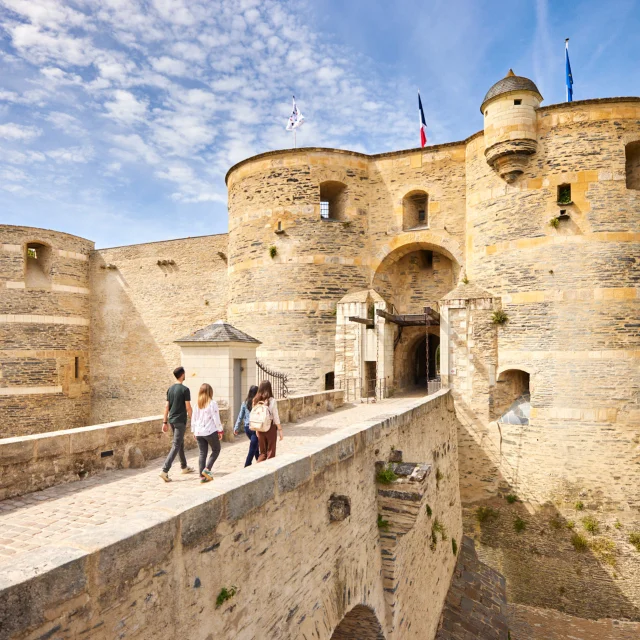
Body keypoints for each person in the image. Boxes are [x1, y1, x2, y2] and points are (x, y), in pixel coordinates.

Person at [159, 366, 194, 482]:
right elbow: (188, 407)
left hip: (172, 420)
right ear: (182, 374)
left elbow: (166, 407)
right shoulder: (185, 390)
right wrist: (194, 420)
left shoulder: (170, 389)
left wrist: (165, 421)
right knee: (176, 445)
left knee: (180, 443)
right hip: (180, 421)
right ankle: (165, 470)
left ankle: (184, 467)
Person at [191, 383, 223, 483]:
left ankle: (202, 476)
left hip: (199, 432)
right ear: (210, 392)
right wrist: (220, 430)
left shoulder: (197, 404)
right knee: (216, 449)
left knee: (202, 453)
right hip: (210, 431)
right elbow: (216, 418)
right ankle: (207, 469)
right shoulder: (212, 403)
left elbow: (194, 419)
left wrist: (194, 431)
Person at [252, 380, 283, 461]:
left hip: (259, 428)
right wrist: (280, 430)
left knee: (262, 453)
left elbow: (255, 416)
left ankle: (259, 470)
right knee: (271, 453)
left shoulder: (255, 400)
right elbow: (276, 417)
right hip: (270, 428)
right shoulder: (272, 400)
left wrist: (256, 429)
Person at [234, 385, 259, 467]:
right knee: (253, 446)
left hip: (247, 428)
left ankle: (259, 460)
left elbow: (240, 416)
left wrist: (236, 427)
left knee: (255, 444)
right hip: (255, 427)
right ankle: (247, 464)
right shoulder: (258, 403)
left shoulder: (244, 403)